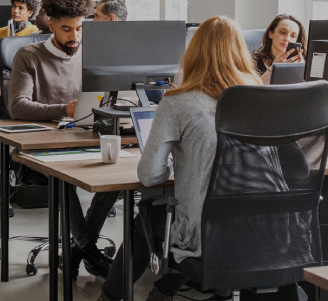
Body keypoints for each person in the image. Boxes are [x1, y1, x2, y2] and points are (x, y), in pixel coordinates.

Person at [97, 16, 263, 301]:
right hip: (264, 229)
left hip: (204, 234)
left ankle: (111, 298)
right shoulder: (263, 97)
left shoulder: (177, 102)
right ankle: (163, 291)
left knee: (147, 219)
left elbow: (150, 176)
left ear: (192, 53)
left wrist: (180, 164)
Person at [9, 0, 117, 278]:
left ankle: (77, 250)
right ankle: (90, 252)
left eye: (80, 29)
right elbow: (17, 107)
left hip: (85, 136)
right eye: (67, 30)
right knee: (63, 180)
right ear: (52, 25)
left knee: (119, 175)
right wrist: (63, 110)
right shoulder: (28, 56)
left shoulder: (91, 53)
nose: (75, 37)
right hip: (41, 145)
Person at [0, 0, 42, 68]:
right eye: (14, 6)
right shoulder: (1, 32)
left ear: (29, 13)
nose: (15, 11)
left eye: (20, 8)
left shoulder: (34, 33)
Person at [253, 14, 307, 85]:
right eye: (282, 32)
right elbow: (252, 91)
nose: (287, 38)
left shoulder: (302, 62)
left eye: (293, 35)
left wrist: (301, 71)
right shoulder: (253, 61)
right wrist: (273, 69)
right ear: (271, 34)